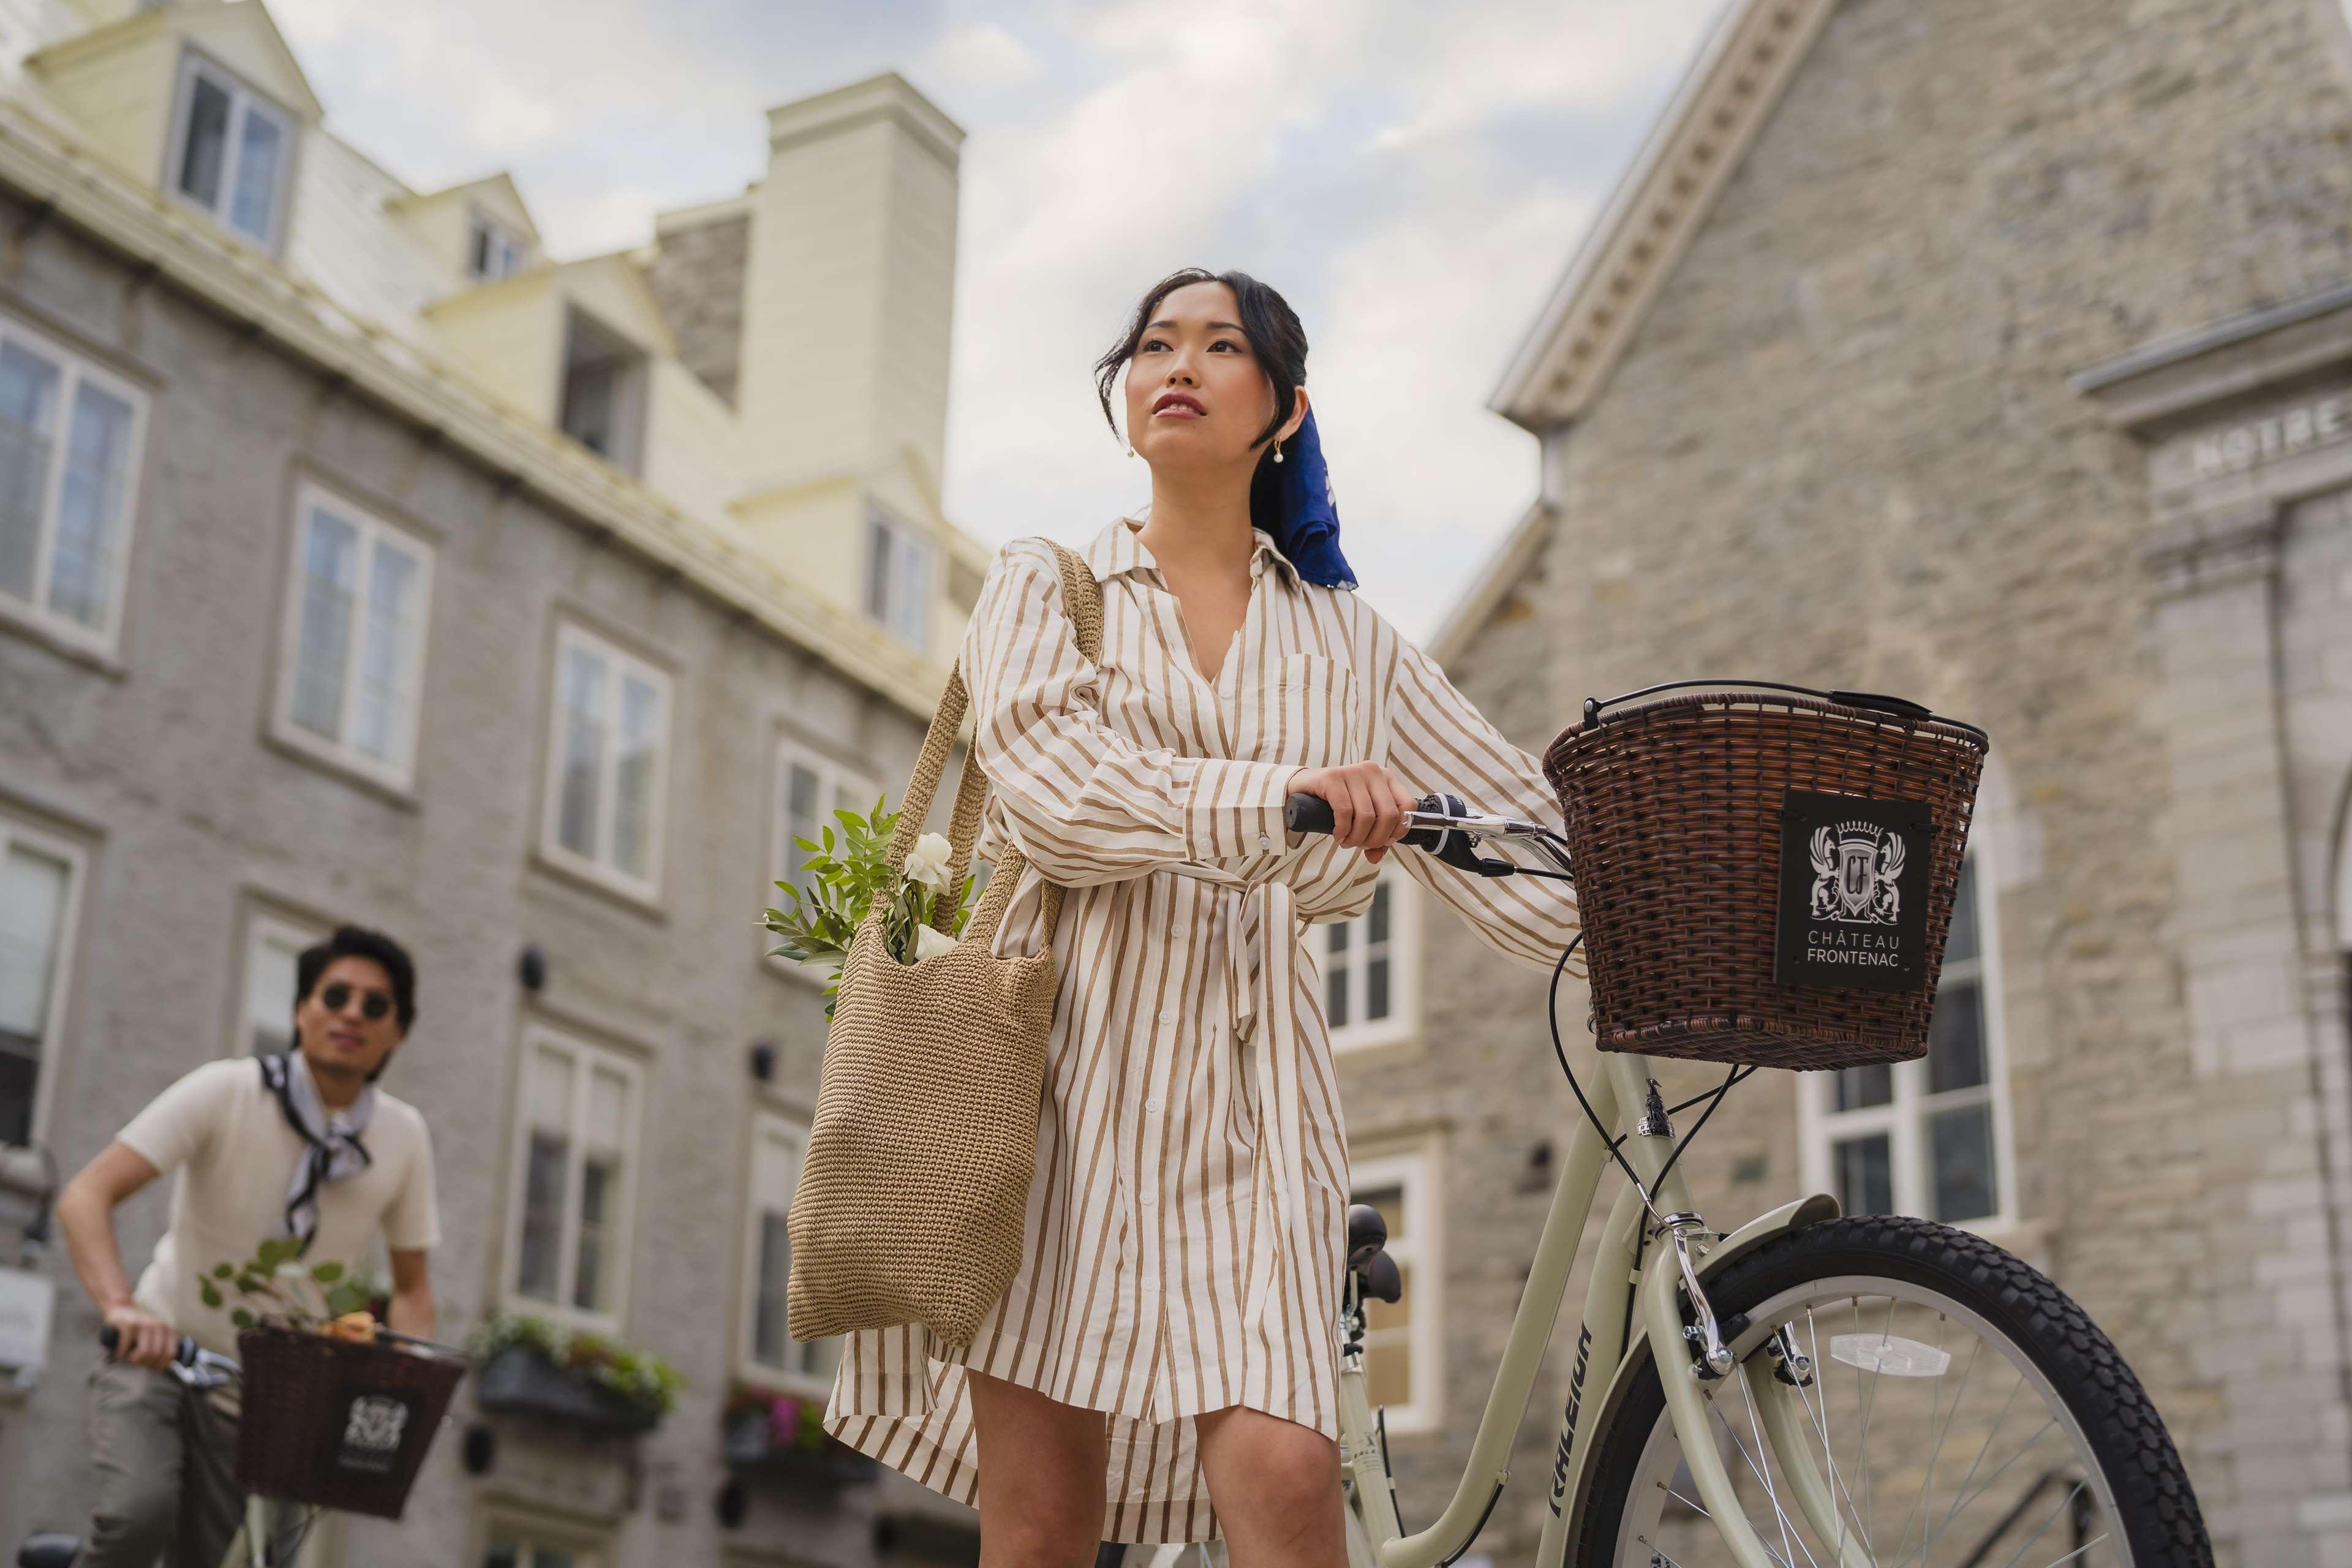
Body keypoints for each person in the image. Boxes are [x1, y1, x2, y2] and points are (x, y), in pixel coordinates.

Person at [822, 268, 1586, 1566]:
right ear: (1127, 394)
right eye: (1153, 343)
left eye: (1219, 345)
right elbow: (1061, 799)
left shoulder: (1353, 643)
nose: (1176, 362)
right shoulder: (1045, 586)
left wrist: (1670, 889)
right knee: (1045, 1533)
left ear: (1283, 409)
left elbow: (1517, 836)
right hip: (1051, 1088)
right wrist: (1284, 795)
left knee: (1292, 1486)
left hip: (1257, 1105)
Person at [53, 925, 440, 1567]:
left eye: (376, 1005)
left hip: (269, 1397)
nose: (352, 1013)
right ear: (300, 1010)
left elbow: (412, 1290)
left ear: (397, 1032)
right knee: (136, 1516)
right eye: (335, 995)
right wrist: (122, 1307)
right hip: (161, 1357)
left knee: (231, 1559)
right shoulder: (227, 1090)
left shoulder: (403, 1137)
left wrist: (403, 1391)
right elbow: (85, 1195)